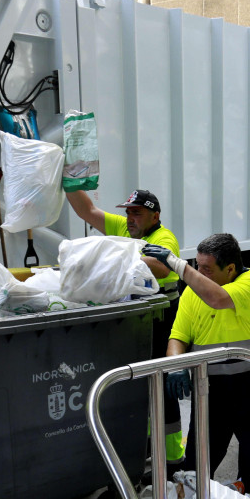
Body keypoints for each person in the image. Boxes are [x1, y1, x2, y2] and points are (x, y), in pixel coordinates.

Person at [143, 233, 250, 494]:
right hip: (212, 391)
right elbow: (178, 337)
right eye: (196, 265)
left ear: (230, 269)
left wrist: (176, 264)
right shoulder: (193, 293)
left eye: (206, 268)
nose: (198, 272)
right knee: (196, 469)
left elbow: (218, 298)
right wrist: (176, 364)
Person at [65, 187, 185, 465]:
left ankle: (172, 458)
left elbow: (161, 267)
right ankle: (141, 450)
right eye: (128, 212)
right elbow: (87, 211)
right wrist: (68, 180)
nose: (130, 218)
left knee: (162, 389)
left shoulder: (164, 238)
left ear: (154, 216)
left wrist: (109, 258)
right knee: (138, 387)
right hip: (138, 322)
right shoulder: (124, 228)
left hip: (162, 322)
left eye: (137, 213)